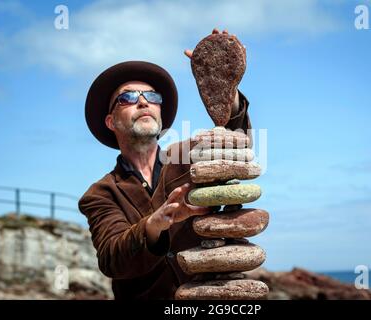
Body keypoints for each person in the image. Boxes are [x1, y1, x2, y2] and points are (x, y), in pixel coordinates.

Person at [79, 29, 252, 299]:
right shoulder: (100, 194)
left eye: (152, 97)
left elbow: (235, 141)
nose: (144, 102)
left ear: (160, 112)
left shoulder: (191, 154)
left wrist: (224, 88)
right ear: (111, 121)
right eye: (128, 97)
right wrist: (155, 224)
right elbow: (112, 258)